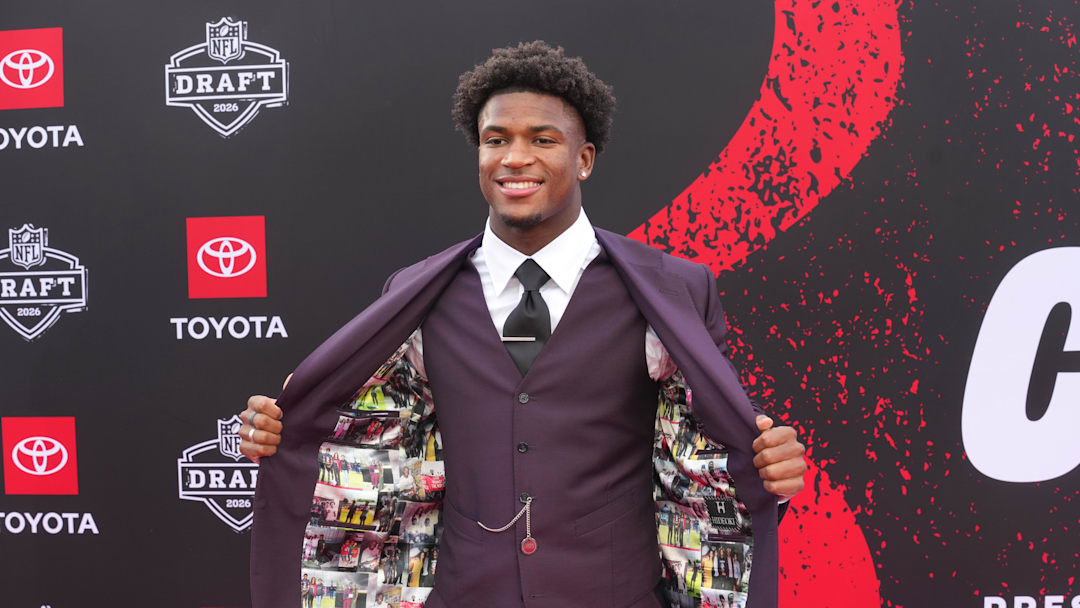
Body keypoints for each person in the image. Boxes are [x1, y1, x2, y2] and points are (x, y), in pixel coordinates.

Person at [242, 41, 806, 607]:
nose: (515, 158)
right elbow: (370, 437)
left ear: (583, 159)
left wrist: (765, 470)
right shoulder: (414, 294)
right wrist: (285, 432)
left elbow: (706, 445)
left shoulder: (674, 289)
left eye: (542, 139)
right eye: (496, 141)